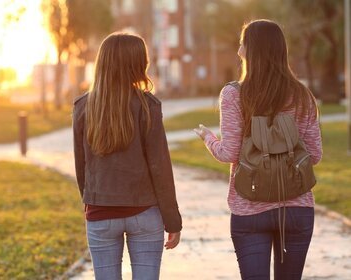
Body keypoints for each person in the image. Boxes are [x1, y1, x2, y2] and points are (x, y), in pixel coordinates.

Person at [194, 19, 322, 279]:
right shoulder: (302, 95)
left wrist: (208, 138)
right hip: (296, 209)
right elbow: (315, 155)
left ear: (248, 51)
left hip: (248, 208)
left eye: (242, 44)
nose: (238, 50)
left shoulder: (233, 94)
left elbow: (228, 153)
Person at [72, 32, 182, 280]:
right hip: (144, 213)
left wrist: (92, 203)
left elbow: (82, 168)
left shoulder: (83, 107)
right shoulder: (147, 106)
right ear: (137, 64)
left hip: (100, 214)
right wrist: (172, 221)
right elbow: (160, 167)